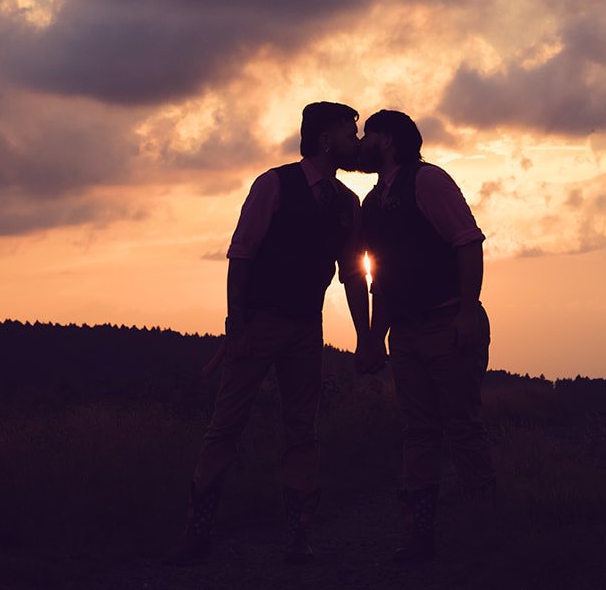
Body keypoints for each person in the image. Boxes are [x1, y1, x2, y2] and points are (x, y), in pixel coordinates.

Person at [171, 101, 370, 565]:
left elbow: (352, 274)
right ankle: (196, 534)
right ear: (325, 139)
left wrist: (364, 336)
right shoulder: (273, 185)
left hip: (305, 330)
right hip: (258, 326)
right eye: (349, 134)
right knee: (225, 428)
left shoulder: (347, 203)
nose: (355, 144)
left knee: (302, 432)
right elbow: (241, 255)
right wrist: (235, 325)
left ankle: (298, 537)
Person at [354, 109, 496, 562]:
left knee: (463, 429)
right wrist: (377, 339)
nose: (360, 142)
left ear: (389, 140)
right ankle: (421, 538)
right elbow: (381, 277)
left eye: (367, 134)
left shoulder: (428, 181)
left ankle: (484, 532)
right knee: (419, 432)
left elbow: (466, 240)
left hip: (447, 322)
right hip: (409, 334)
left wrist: (468, 311)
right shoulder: (373, 203)